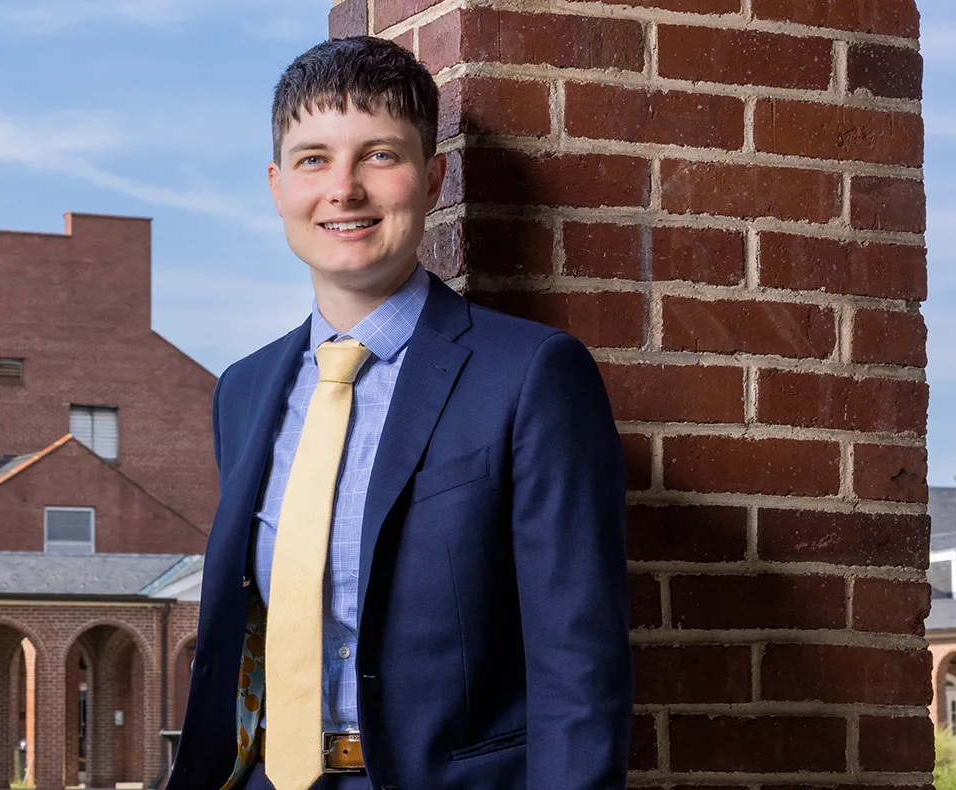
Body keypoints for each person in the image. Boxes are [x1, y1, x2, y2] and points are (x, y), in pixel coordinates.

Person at [165, 36, 632, 790]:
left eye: (379, 156)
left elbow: (579, 670)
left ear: (433, 178)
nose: (344, 189)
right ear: (278, 185)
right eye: (314, 159)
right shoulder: (243, 390)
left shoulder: (532, 377)